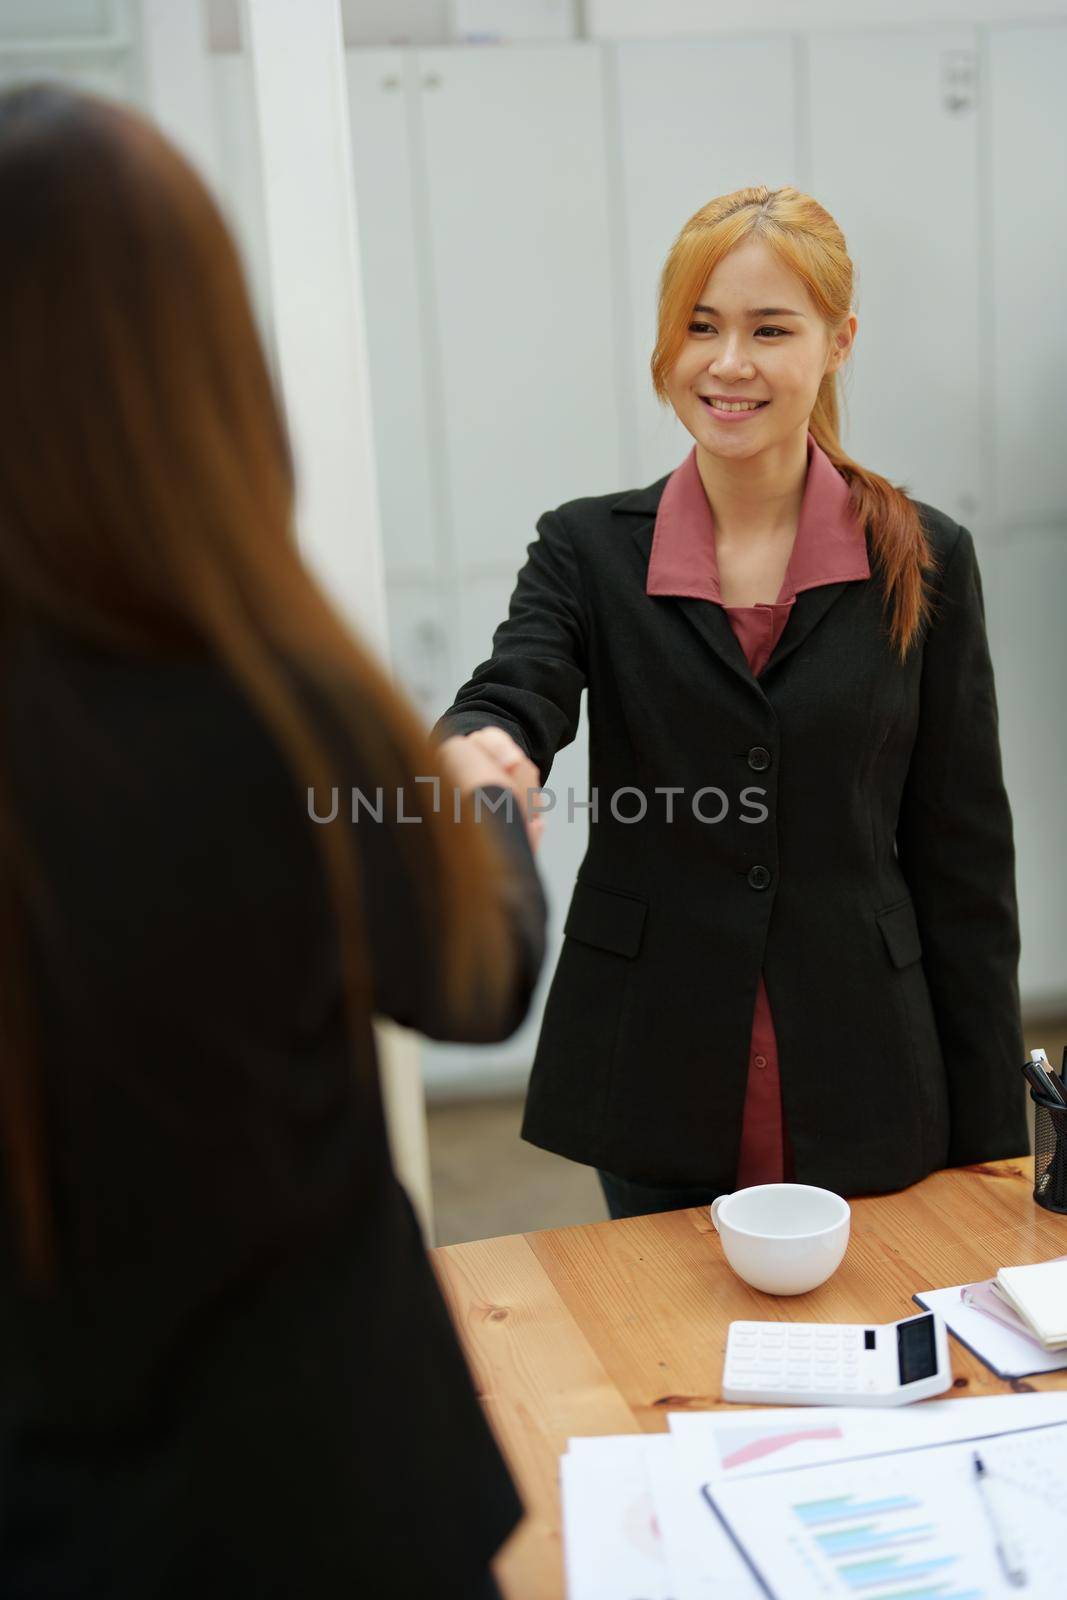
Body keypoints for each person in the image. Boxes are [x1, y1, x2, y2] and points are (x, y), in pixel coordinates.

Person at [0, 85, 545, 1598]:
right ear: (199, 363)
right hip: (333, 1509)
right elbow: (476, 979)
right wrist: (483, 809)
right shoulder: (277, 701)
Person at [437, 184, 1028, 1221]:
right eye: (698, 327)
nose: (726, 363)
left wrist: (992, 1144)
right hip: (655, 1060)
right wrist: (482, 747)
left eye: (768, 328)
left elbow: (962, 856)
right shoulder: (585, 549)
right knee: (663, 1365)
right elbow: (515, 683)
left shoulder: (924, 558)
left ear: (837, 340)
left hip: (866, 1063)